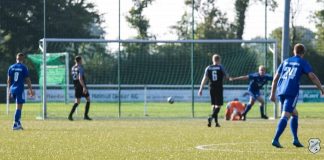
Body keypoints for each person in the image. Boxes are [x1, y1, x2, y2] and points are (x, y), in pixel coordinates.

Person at [269, 43, 324, 148]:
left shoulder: (285, 61)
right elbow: (312, 76)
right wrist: (321, 88)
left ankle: (295, 139)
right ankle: (275, 139)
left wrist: (272, 93)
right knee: (286, 115)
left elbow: (275, 78)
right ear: (303, 53)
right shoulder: (302, 62)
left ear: (294, 51)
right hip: (292, 91)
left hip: (281, 91)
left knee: (294, 113)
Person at [198, 54, 229, 127]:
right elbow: (227, 76)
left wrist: (201, 89)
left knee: (213, 105)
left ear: (213, 60)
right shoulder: (221, 67)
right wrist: (228, 77)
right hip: (219, 87)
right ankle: (211, 117)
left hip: (211, 87)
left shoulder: (208, 68)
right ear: (219, 60)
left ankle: (216, 123)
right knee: (219, 105)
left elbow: (204, 79)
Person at [7, 53, 34, 130]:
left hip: (12, 89)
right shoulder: (23, 67)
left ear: (16, 59)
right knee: (19, 107)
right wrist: (31, 90)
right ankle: (15, 124)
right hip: (19, 89)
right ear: (23, 59)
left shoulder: (11, 67)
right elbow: (27, 80)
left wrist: (9, 91)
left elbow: (9, 80)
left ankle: (18, 123)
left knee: (17, 106)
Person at [68, 56, 92, 121]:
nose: (82, 61)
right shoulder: (80, 68)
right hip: (81, 85)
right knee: (88, 99)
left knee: (78, 102)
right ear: (80, 60)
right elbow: (80, 78)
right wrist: (84, 87)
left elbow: (74, 77)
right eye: (81, 60)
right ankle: (85, 116)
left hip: (76, 86)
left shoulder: (73, 68)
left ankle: (70, 115)